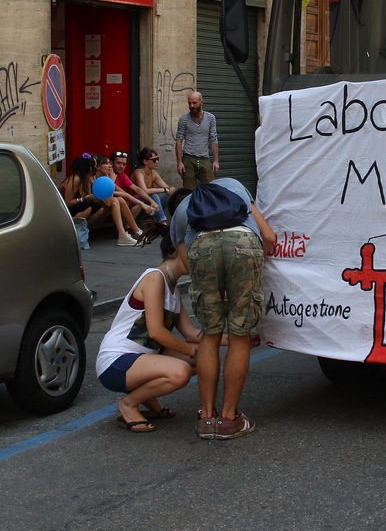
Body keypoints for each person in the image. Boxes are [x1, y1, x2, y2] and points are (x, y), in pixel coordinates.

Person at [171, 177, 276, 440]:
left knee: (210, 332)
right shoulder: (237, 186)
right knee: (240, 334)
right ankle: (229, 419)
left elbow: (187, 263)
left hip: (202, 247)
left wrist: (216, 291)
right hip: (243, 243)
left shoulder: (181, 210)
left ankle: (207, 418)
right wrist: (245, 275)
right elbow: (268, 236)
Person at [96, 210, 202, 432]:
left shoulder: (172, 287)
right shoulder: (154, 278)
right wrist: (192, 352)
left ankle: (148, 401)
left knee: (202, 358)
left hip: (141, 358)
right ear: (177, 250)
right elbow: (155, 332)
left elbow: (192, 335)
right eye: (196, 251)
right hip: (118, 361)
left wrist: (235, 340)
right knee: (181, 371)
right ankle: (128, 404)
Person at [61, 154, 142, 246]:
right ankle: (124, 234)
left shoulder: (87, 179)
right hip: (68, 210)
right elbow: (68, 202)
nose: (95, 169)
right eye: (94, 166)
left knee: (114, 201)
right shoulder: (76, 179)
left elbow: (106, 198)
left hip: (84, 204)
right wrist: (86, 198)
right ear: (89, 168)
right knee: (94, 206)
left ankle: (132, 232)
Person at [175, 91, 219, 189]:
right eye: (189, 103)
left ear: (201, 102)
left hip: (204, 159)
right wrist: (179, 162)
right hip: (188, 159)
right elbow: (179, 141)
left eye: (194, 103)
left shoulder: (210, 118)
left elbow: (213, 139)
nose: (192, 106)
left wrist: (216, 161)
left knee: (210, 189)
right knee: (188, 191)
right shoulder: (184, 119)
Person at [111, 150, 160, 222]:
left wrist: (152, 201)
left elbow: (137, 189)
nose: (121, 166)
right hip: (112, 203)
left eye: (124, 164)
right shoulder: (107, 175)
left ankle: (129, 226)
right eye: (118, 163)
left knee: (142, 197)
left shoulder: (122, 175)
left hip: (124, 201)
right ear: (111, 163)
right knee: (122, 200)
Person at [132, 147, 176, 222]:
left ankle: (177, 220)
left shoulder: (153, 173)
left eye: (157, 159)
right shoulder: (138, 173)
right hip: (137, 208)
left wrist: (171, 189)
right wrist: (165, 190)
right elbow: (144, 190)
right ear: (145, 161)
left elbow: (166, 186)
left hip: (151, 208)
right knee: (154, 196)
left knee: (170, 195)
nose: (157, 162)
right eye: (154, 160)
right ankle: (162, 222)